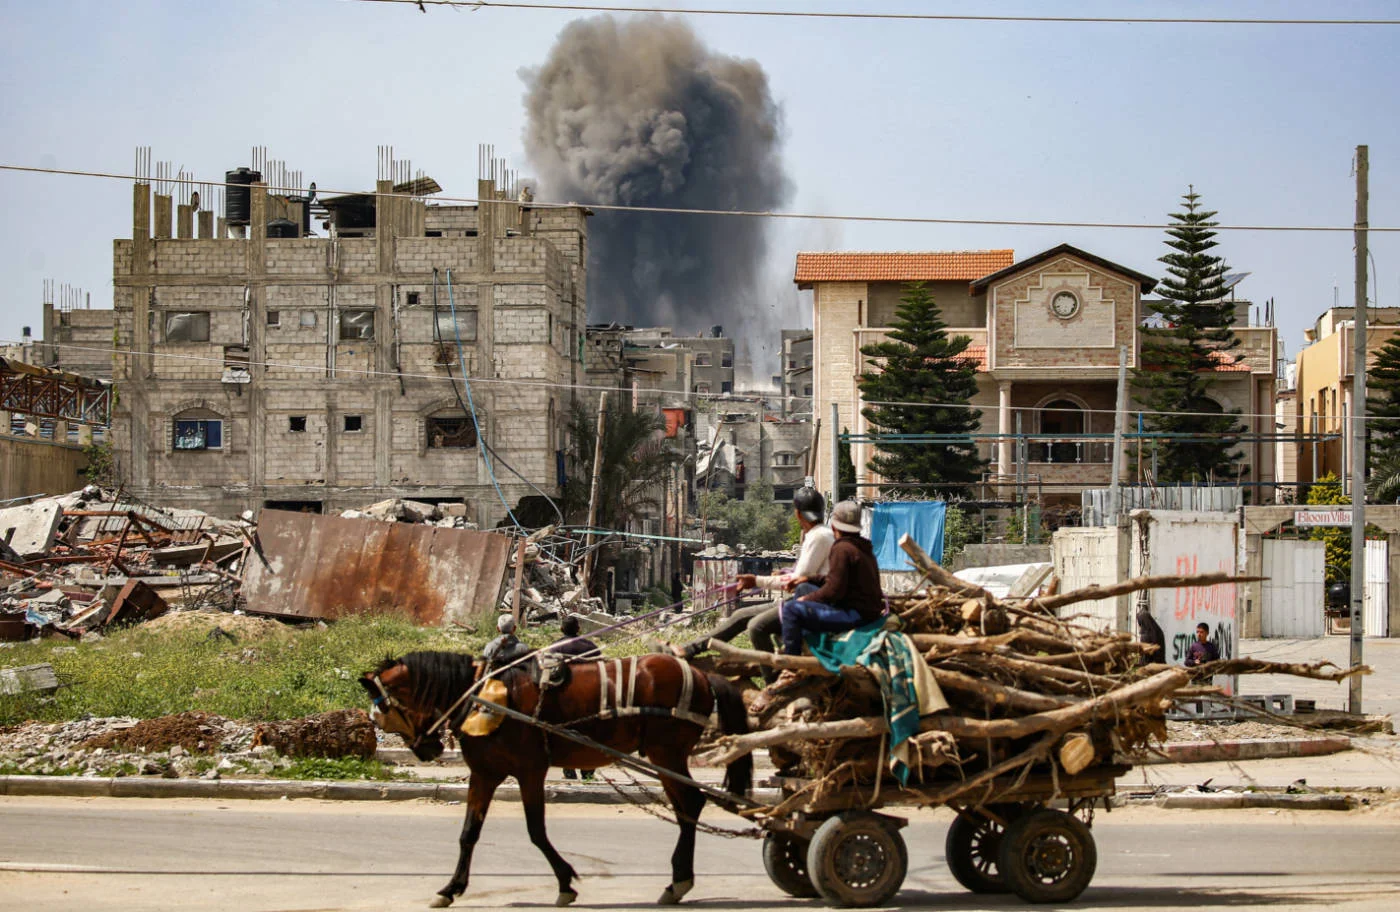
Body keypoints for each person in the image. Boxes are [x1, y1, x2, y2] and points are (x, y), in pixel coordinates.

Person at [667, 487, 834, 667]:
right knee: (741, 615)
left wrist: (755, 581)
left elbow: (797, 580)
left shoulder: (819, 537)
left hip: (807, 605)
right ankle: (691, 648)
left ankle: (777, 674)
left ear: (798, 514)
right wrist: (784, 573)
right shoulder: (819, 534)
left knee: (756, 626)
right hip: (805, 600)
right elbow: (805, 574)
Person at [780, 500, 884, 656]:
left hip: (856, 615)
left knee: (791, 610)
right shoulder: (862, 547)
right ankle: (809, 643)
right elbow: (836, 579)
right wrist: (809, 579)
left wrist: (806, 599)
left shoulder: (842, 549)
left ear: (834, 526)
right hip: (865, 610)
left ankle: (791, 662)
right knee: (803, 587)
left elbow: (833, 591)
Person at [548, 616, 600, 781]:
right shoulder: (591, 647)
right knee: (589, 734)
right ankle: (588, 772)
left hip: (565, 698)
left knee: (565, 735)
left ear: (562, 630)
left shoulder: (554, 648)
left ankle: (569, 769)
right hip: (589, 697)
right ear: (579, 630)